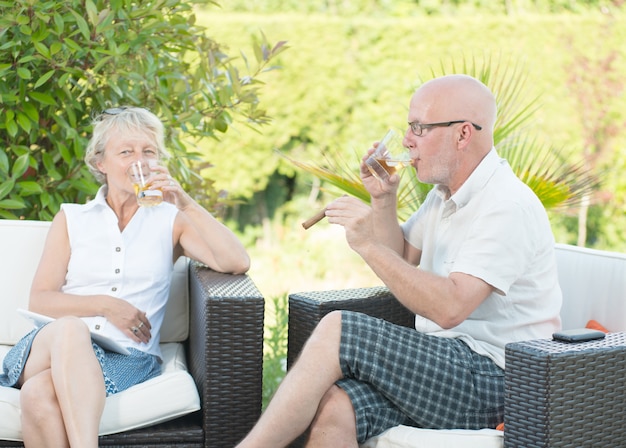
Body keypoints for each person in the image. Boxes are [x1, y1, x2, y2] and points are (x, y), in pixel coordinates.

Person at [236, 74, 562, 447]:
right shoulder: (444, 194)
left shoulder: (506, 205)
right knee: (338, 406)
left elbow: (451, 306)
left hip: (501, 382)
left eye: (419, 128)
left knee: (338, 328)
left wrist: (366, 244)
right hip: (447, 367)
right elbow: (404, 255)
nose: (407, 140)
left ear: (463, 135)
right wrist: (383, 199)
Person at [0, 106, 250, 448]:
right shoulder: (72, 219)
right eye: (126, 152)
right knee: (72, 329)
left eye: (149, 152)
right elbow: (41, 299)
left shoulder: (170, 220)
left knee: (38, 395)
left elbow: (236, 261)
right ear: (100, 163)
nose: (140, 161)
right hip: (50, 345)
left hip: (128, 357)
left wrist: (186, 203)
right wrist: (106, 306)